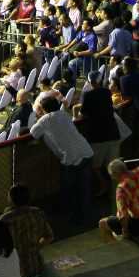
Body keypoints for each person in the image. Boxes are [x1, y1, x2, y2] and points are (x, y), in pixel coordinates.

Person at [30, 95, 93, 224]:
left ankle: (71, 216)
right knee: (84, 187)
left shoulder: (44, 120)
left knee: (69, 188)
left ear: (43, 109)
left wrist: (39, 119)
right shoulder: (64, 114)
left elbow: (33, 133)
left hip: (71, 157)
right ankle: (85, 216)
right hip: (86, 151)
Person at [0, 184, 53, 277]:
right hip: (36, 268)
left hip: (15, 272)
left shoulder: (5, 219)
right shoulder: (37, 213)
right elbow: (49, 236)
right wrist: (35, 247)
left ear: (11, 199)